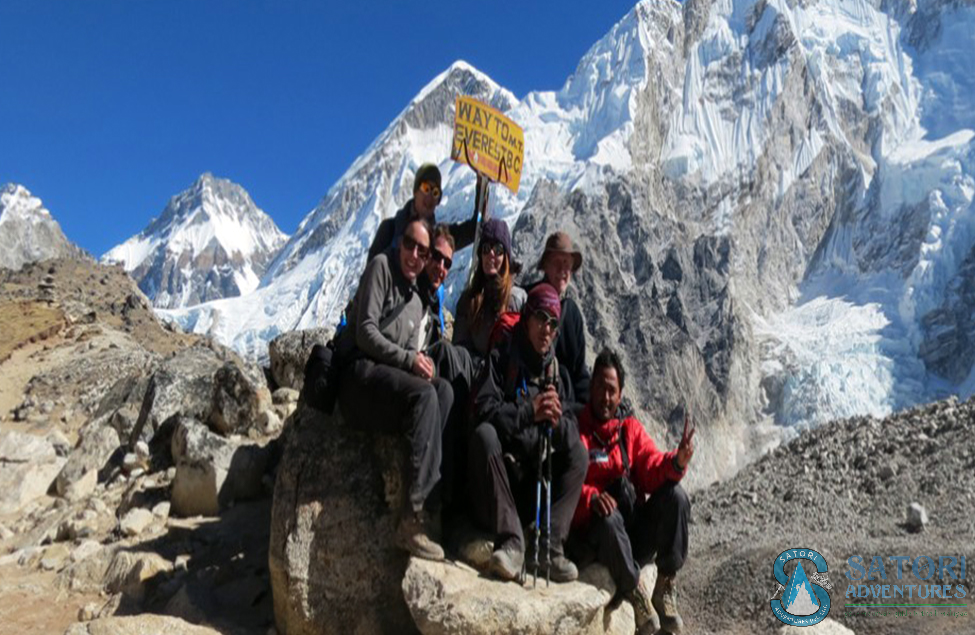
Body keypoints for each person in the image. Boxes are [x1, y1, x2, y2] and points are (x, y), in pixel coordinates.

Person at [335, 217, 454, 561]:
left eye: (422, 250)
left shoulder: (417, 299)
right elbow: (365, 332)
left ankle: (431, 502)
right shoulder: (381, 268)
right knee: (424, 394)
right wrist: (409, 361)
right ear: (399, 243)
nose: (414, 255)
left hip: (385, 385)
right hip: (359, 379)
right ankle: (411, 521)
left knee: (442, 391)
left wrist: (420, 365)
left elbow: (407, 359)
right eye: (409, 244)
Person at [467, 283, 588, 582]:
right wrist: (528, 412)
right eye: (540, 318)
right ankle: (511, 543)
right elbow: (482, 411)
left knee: (579, 453)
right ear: (526, 317)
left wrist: (557, 422)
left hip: (532, 483)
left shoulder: (556, 374)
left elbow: (573, 431)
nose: (546, 329)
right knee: (484, 435)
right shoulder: (501, 358)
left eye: (552, 323)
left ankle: (549, 547)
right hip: (498, 484)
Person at [571, 348, 693, 635]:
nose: (605, 396)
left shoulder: (629, 430)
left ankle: (664, 584)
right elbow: (566, 485)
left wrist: (676, 461)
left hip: (632, 531)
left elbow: (651, 467)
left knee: (676, 496)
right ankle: (633, 589)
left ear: (621, 394)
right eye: (600, 387)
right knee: (609, 516)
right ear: (591, 388)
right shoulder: (576, 430)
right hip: (596, 534)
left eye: (612, 390)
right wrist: (591, 496)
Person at [528, 232, 591, 410]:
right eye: (557, 263)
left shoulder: (572, 314)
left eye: (567, 265)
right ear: (546, 265)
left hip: (564, 406)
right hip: (531, 398)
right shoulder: (527, 300)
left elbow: (579, 372)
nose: (563, 271)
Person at [367, 163, 477, 261]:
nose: (429, 196)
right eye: (426, 188)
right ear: (415, 191)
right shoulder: (389, 229)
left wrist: (482, 184)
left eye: (435, 193)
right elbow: (370, 276)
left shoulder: (439, 238)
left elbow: (474, 229)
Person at [454, 218, 527, 362]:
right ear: (480, 255)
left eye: (498, 249)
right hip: (474, 375)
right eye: (486, 249)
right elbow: (459, 348)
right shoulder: (469, 300)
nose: (491, 254)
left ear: (506, 257)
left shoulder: (518, 300)